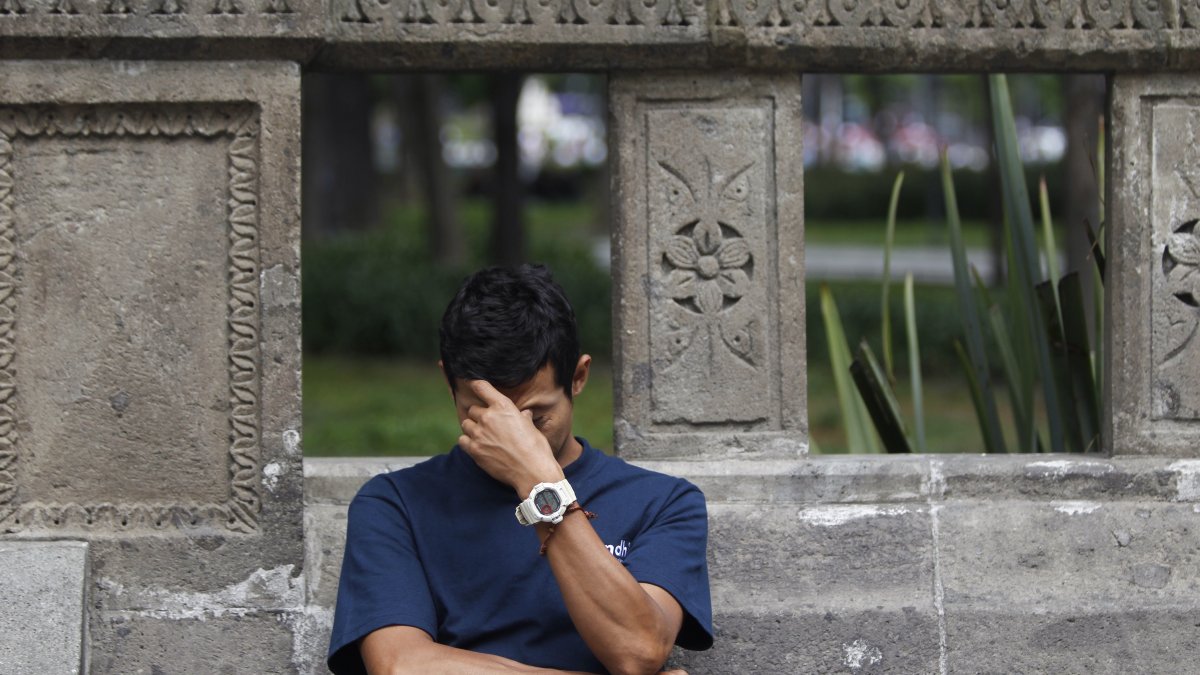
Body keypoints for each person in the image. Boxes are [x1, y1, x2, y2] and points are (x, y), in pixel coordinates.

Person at [327, 264, 713, 675]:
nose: (515, 437)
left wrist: (539, 484)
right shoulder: (395, 505)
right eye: (485, 415)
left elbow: (638, 651)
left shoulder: (663, 503)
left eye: (536, 418)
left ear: (578, 377)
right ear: (449, 383)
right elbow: (401, 666)